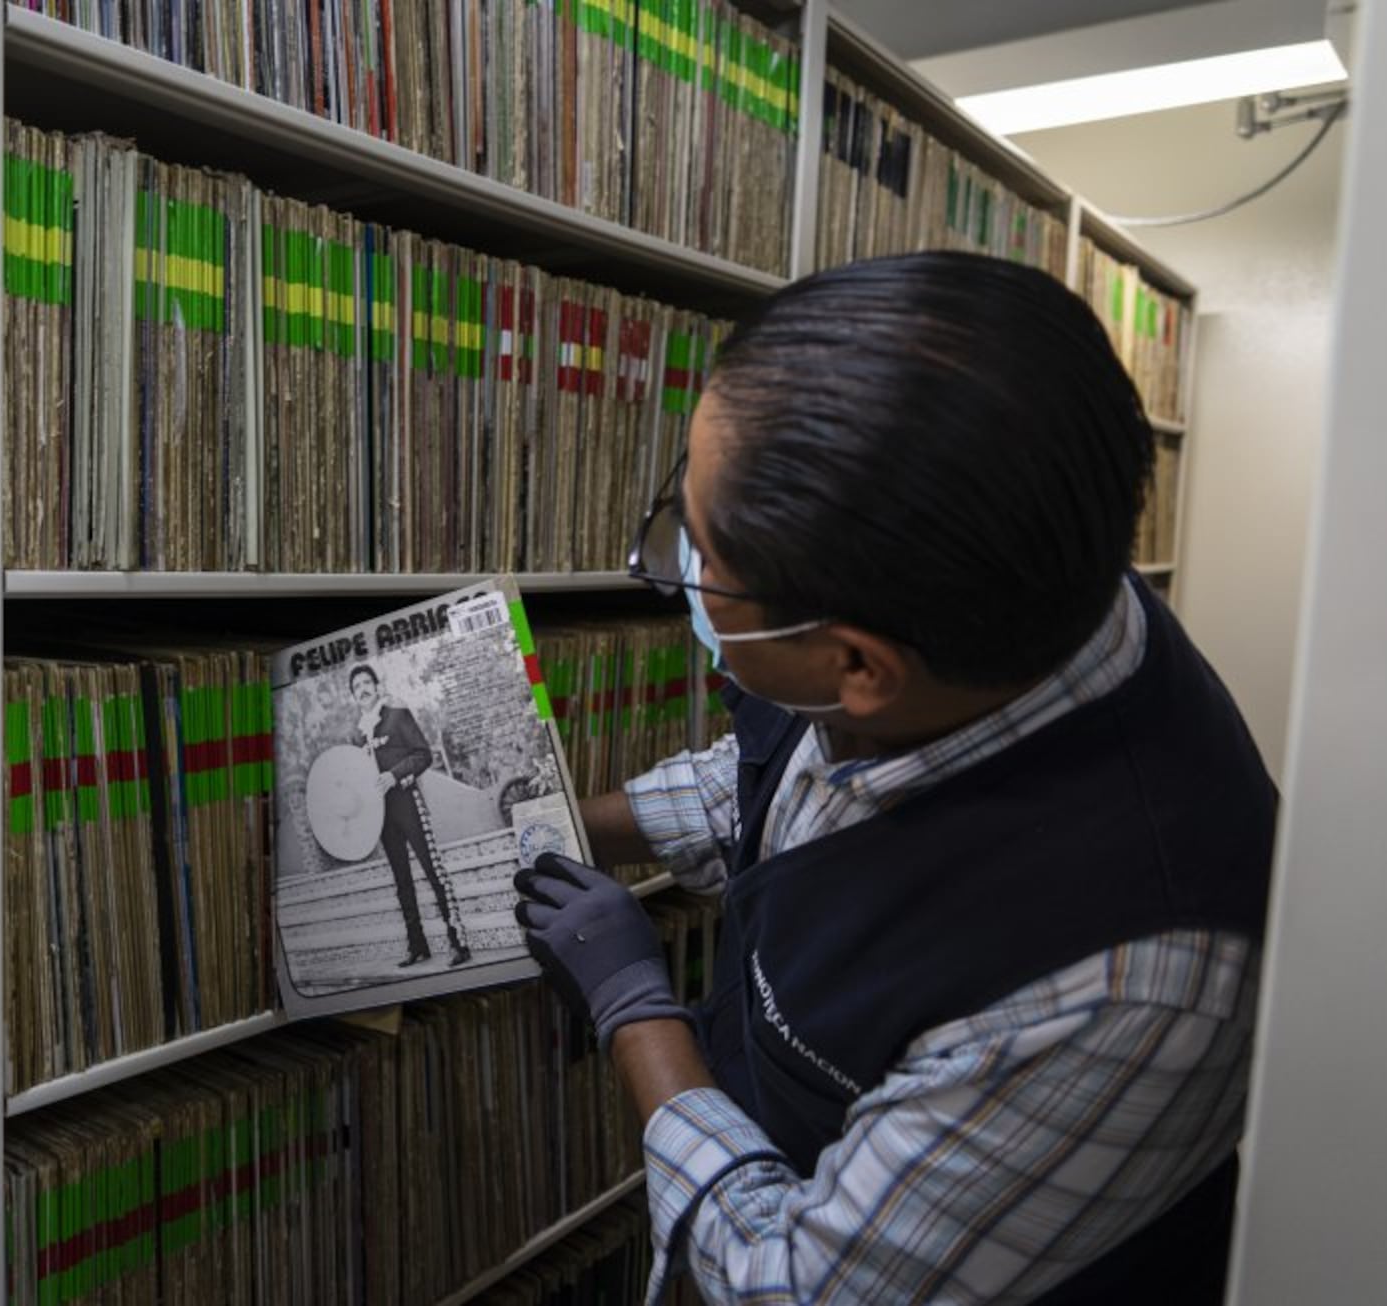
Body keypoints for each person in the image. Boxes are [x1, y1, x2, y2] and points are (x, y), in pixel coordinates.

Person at [515, 252, 1276, 1304]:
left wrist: (634, 1011)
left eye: (701, 553)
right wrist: (562, 827)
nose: (676, 563)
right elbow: (786, 773)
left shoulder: (1120, 988)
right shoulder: (991, 587)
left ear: (858, 665)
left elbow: (798, 1285)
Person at [351, 663, 471, 968]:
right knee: (402, 881)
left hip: (408, 802)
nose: (363, 689)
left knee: (433, 871)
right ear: (354, 695)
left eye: (367, 683)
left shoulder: (396, 715)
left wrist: (394, 775)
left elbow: (423, 754)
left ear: (377, 687)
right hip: (381, 816)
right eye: (357, 686)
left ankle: (459, 943)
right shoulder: (356, 735)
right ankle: (417, 946)